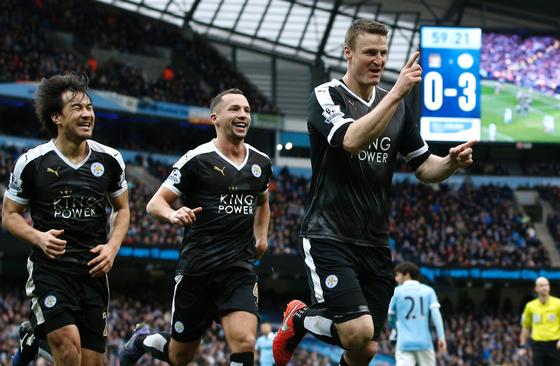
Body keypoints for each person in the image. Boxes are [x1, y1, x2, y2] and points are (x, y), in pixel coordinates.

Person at [273, 19, 475, 366]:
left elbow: (425, 167)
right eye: (370, 52)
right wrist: (397, 93)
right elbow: (350, 140)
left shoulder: (398, 109)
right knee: (355, 332)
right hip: (329, 234)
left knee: (365, 348)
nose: (378, 60)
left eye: (383, 53)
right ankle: (300, 318)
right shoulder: (326, 96)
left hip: (375, 242)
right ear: (348, 53)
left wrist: (451, 163)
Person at [119, 88, 272, 366]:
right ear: (215, 118)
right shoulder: (197, 159)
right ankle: (143, 339)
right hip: (197, 271)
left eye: (247, 110)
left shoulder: (261, 163)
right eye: (235, 109)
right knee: (180, 357)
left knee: (245, 342)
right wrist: (174, 215)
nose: (243, 115)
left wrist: (261, 237)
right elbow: (155, 204)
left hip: (239, 269)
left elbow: (263, 202)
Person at [3, 73, 130, 366]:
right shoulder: (32, 162)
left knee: (91, 362)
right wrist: (39, 237)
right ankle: (45, 338)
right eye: (77, 108)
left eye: (89, 107)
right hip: (51, 270)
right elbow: (9, 215)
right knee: (69, 349)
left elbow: (122, 209)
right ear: (56, 117)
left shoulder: (110, 159)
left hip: (93, 272)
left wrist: (112, 248)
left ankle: (35, 340)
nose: (87, 114)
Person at [388, 262, 446, 366]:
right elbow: (436, 315)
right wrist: (441, 338)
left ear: (407, 274)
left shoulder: (396, 292)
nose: (396, 279)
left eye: (397, 275)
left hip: (404, 344)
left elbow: (390, 317)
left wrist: (396, 328)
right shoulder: (429, 291)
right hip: (425, 343)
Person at [518, 277, 560, 366]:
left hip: (555, 344)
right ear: (536, 288)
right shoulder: (530, 306)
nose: (544, 288)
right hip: (538, 345)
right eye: (541, 285)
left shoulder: (559, 303)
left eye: (547, 285)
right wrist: (522, 345)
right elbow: (525, 327)